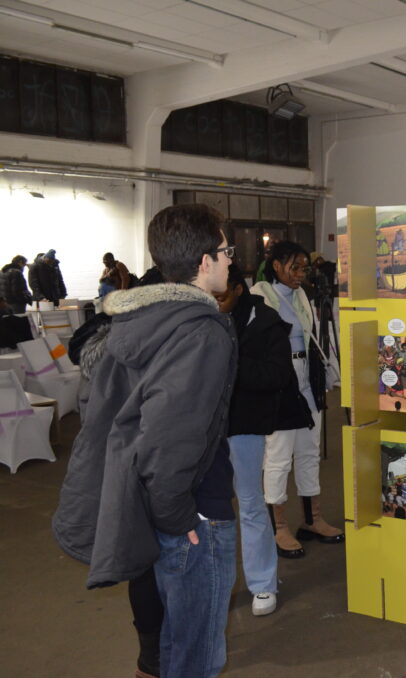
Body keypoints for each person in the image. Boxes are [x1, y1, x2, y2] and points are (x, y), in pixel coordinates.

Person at [52, 203, 238, 677]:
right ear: (203, 262)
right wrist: (180, 517)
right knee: (196, 655)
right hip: (193, 511)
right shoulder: (202, 332)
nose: (231, 260)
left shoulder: (143, 319)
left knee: (172, 645)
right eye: (225, 251)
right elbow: (168, 437)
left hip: (147, 502)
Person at [216, 264, 310, 616]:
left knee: (251, 504)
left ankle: (262, 584)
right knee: (212, 511)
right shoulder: (201, 317)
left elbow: (277, 374)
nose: (216, 302)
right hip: (205, 427)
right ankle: (218, 583)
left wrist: (230, 364)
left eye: (222, 296)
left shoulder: (264, 320)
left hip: (244, 425)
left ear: (239, 289)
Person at [252, 241, 343, 559]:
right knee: (278, 457)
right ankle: (278, 528)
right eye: (295, 267)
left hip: (308, 379)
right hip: (281, 384)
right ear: (276, 265)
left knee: (309, 452)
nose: (301, 274)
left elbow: (316, 336)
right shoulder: (259, 295)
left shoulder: (303, 295)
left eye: (304, 268)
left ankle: (313, 520)